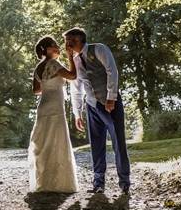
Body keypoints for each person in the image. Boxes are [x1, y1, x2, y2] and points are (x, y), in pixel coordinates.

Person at [63, 27, 131, 194]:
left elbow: (112, 71)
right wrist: (77, 113)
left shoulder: (99, 48)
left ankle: (124, 182)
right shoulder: (75, 60)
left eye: (68, 40)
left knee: (118, 142)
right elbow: (76, 88)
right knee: (96, 145)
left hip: (110, 104)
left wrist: (111, 98)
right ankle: (98, 183)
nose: (66, 44)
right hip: (92, 106)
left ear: (77, 39)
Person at [27, 36, 78, 193]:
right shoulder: (54, 64)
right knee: (57, 141)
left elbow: (36, 90)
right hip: (55, 107)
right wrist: (71, 57)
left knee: (44, 141)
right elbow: (73, 75)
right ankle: (58, 183)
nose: (58, 47)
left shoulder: (38, 68)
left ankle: (44, 182)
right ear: (48, 49)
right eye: (55, 45)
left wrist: (48, 86)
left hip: (43, 106)